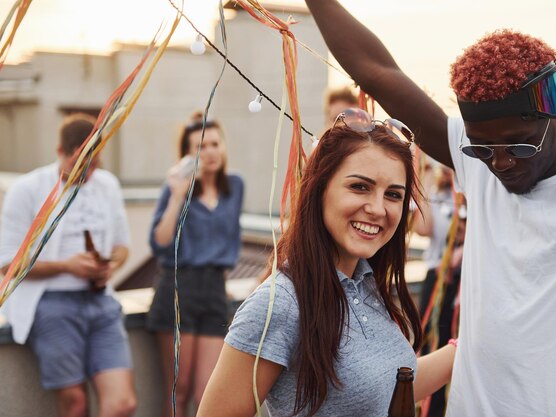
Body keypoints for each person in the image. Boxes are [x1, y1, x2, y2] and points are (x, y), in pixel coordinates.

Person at [303, 2, 556, 416]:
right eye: (483, 148)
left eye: (520, 144)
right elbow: (376, 71)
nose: (501, 162)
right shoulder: (481, 166)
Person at [196, 107, 456, 417]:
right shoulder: (279, 304)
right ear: (319, 189)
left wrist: (469, 346)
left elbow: (387, 387)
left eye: (393, 195)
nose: (377, 208)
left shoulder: (365, 282)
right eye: (360, 186)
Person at [0, 113, 136, 417]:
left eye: (95, 162)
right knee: (75, 404)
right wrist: (67, 267)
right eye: (82, 162)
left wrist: (108, 266)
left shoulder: (107, 185)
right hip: (50, 303)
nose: (89, 171)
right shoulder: (27, 189)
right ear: (61, 153)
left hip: (102, 302)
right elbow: (7, 263)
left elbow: (123, 247)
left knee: (123, 403)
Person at [147, 113, 244, 417]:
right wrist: (177, 196)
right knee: (180, 390)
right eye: (200, 147)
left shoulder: (235, 186)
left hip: (215, 290)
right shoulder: (177, 188)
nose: (210, 152)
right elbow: (159, 243)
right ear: (188, 155)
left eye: (215, 144)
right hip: (179, 289)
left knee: (208, 393)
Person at [413, 165, 465, 417]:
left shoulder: (470, 197)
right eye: (441, 167)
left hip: (466, 280)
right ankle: (429, 409)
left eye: (450, 166)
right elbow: (422, 230)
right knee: (431, 341)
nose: (445, 171)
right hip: (438, 278)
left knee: (459, 345)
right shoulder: (437, 195)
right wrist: (423, 177)